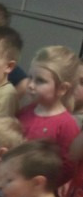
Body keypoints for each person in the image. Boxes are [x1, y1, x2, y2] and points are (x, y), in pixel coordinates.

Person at [17, 46, 80, 175]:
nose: (31, 85)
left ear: (62, 88)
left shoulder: (66, 124)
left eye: (40, 81)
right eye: (30, 77)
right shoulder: (25, 111)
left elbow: (68, 166)